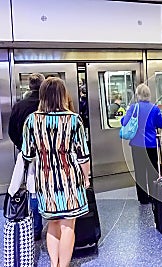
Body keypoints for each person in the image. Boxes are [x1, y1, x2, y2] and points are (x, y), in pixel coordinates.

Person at [21, 77, 91, 266]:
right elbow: (83, 155)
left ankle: (54, 263)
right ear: (62, 95)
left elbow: (27, 154)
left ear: (42, 95)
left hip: (45, 180)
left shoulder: (32, 120)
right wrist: (86, 178)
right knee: (68, 225)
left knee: (52, 224)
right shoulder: (73, 120)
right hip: (70, 180)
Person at [8, 73, 45, 241]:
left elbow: (11, 131)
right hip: (49, 156)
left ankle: (36, 229)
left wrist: (22, 146)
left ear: (29, 86)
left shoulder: (19, 106)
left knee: (33, 190)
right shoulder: (48, 105)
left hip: (29, 156)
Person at [121, 83, 162, 204]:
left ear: (137, 95)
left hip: (137, 145)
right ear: (149, 95)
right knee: (152, 171)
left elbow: (124, 122)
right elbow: (161, 124)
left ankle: (143, 199)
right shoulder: (154, 108)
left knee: (140, 172)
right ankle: (154, 196)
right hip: (151, 145)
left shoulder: (133, 108)